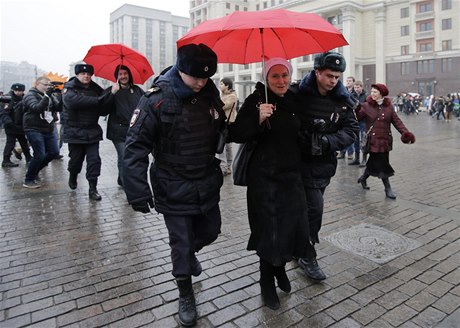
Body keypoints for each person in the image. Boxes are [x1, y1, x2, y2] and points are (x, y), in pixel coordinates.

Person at [123, 44, 225, 327]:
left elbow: (220, 124)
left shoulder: (209, 93)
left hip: (205, 180)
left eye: (206, 78)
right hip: (172, 182)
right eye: (196, 78)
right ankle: (185, 292)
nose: (201, 83)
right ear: (181, 69)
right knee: (180, 242)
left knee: (211, 230)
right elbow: (134, 148)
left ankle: (189, 255)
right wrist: (137, 191)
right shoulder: (155, 99)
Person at [228, 58, 309, 310]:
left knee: (288, 228)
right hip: (264, 180)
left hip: (291, 178)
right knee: (269, 231)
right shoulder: (255, 100)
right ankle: (266, 280)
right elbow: (236, 134)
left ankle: (280, 269)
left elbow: (301, 132)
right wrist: (258, 119)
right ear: (266, 78)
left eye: (284, 75)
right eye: (274, 76)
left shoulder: (295, 99)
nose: (281, 81)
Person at [293, 51, 359, 282]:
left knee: (308, 210)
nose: (333, 81)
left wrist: (326, 141)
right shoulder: (297, 94)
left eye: (337, 77)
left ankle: (299, 247)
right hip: (295, 165)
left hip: (322, 166)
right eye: (329, 75)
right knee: (314, 209)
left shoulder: (343, 100)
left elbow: (351, 131)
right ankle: (307, 255)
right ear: (317, 72)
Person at [356, 83, 415, 199]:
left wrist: (405, 133)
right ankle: (387, 188)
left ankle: (363, 178)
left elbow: (397, 122)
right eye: (371, 91)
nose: (372, 94)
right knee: (383, 164)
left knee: (373, 162)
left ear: (381, 94)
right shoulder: (366, 106)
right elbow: (356, 118)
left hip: (385, 141)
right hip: (373, 141)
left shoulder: (389, 107)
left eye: (375, 92)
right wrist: (356, 110)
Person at [62, 64, 111, 200]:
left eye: (89, 74)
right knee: (76, 161)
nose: (86, 76)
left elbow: (103, 110)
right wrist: (99, 100)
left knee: (94, 161)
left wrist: (110, 95)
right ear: (77, 75)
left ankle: (92, 189)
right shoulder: (69, 88)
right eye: (83, 74)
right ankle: (73, 175)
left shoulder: (96, 90)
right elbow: (73, 102)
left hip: (92, 131)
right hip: (74, 132)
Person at [105, 65, 145, 187]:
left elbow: (145, 105)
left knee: (130, 157)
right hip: (118, 131)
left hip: (134, 131)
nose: (123, 76)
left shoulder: (137, 90)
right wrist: (112, 93)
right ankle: (126, 183)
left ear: (129, 75)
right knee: (124, 156)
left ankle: (121, 178)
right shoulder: (112, 90)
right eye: (120, 74)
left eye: (125, 73)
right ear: (117, 76)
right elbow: (103, 109)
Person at [22, 77, 62, 188]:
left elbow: (59, 108)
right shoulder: (30, 95)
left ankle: (34, 171)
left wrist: (61, 94)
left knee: (54, 152)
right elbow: (36, 108)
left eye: (48, 85)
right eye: (45, 85)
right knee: (39, 154)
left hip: (48, 127)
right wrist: (47, 96)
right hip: (33, 128)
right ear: (37, 84)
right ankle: (28, 179)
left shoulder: (49, 96)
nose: (46, 87)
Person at [1, 83, 32, 167]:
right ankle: (6, 160)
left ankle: (28, 157)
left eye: (20, 91)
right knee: (10, 143)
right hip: (11, 125)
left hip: (20, 124)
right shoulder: (7, 99)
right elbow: (4, 113)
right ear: (12, 90)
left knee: (24, 142)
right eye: (16, 90)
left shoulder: (24, 98)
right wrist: (9, 123)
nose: (18, 92)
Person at [218, 77, 238, 176]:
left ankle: (226, 166)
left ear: (227, 85)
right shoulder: (222, 95)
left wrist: (217, 100)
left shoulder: (232, 96)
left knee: (224, 144)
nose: (220, 86)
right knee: (225, 145)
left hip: (228, 123)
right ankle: (226, 166)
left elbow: (223, 106)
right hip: (222, 122)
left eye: (221, 84)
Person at [337, 75, 356, 160]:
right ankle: (342, 152)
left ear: (353, 82)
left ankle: (350, 153)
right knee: (341, 134)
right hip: (342, 115)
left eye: (350, 81)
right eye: (347, 81)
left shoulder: (355, 92)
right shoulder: (342, 90)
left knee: (349, 134)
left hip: (351, 116)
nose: (348, 82)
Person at [351, 80, 368, 167]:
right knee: (355, 140)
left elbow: (367, 107)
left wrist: (359, 106)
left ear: (362, 87)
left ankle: (364, 159)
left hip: (363, 121)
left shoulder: (366, 96)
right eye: (355, 87)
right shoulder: (352, 95)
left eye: (358, 87)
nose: (356, 89)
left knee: (364, 140)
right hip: (354, 121)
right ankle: (356, 158)